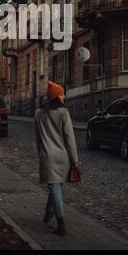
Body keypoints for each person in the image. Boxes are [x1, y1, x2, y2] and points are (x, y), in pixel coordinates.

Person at [35, 80, 80, 237]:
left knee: (55, 188)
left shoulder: (39, 113)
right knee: (56, 187)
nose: (64, 96)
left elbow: (38, 138)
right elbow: (70, 138)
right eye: (61, 94)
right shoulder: (64, 113)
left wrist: (40, 152)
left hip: (47, 154)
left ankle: (52, 215)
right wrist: (75, 160)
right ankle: (58, 220)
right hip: (63, 156)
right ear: (55, 97)